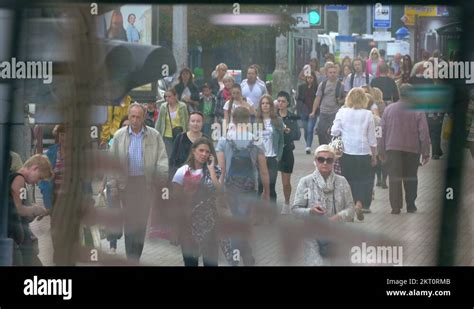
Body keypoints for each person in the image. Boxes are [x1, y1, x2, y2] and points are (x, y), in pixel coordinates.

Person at [107, 103, 168, 261]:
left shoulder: (154, 135)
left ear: (143, 118)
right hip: (126, 184)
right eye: (132, 116)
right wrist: (113, 186)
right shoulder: (119, 136)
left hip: (145, 184)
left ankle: (136, 255)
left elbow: (162, 161)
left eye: (138, 117)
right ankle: (131, 258)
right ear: (128, 117)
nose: (134, 120)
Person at [216, 107, 270, 266]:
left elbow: (222, 170)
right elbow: (264, 171)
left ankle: (243, 259)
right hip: (249, 188)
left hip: (230, 187)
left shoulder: (223, 140)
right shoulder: (256, 140)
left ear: (232, 119)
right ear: (248, 120)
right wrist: (266, 191)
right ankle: (239, 260)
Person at [292, 144, 355, 266]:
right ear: (315, 161)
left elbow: (351, 209)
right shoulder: (306, 182)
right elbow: (295, 210)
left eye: (329, 160)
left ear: (333, 162)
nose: (325, 163)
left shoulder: (342, 182)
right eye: (321, 159)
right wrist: (310, 211)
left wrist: (339, 217)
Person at [380, 84, 431, 214]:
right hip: (412, 149)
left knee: (394, 177)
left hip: (392, 147)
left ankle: (395, 207)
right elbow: (424, 132)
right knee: (411, 176)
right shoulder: (418, 110)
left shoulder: (388, 109)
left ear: (399, 93)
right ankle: (411, 205)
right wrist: (425, 151)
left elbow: (382, 131)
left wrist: (381, 150)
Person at [172, 137, 222, 266]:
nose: (204, 154)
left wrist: (211, 169)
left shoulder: (215, 170)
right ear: (193, 151)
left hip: (210, 225)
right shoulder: (182, 171)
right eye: (201, 150)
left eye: (207, 152)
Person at [331, 88, 377, 220]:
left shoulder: (342, 112)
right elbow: (372, 139)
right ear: (364, 100)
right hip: (363, 151)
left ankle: (350, 210)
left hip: (347, 151)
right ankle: (359, 203)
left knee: (348, 180)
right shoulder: (368, 114)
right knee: (362, 180)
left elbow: (334, 131)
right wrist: (374, 156)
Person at [9, 154, 53, 265]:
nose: (38, 183)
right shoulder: (19, 179)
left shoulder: (18, 179)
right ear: (35, 168)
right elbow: (18, 209)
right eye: (40, 178)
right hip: (13, 238)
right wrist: (35, 209)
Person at [256, 94, 285, 222]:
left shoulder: (277, 121)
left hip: (272, 157)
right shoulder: (255, 121)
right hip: (260, 158)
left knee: (272, 186)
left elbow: (281, 141)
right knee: (260, 187)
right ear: (260, 106)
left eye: (267, 103)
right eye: (263, 103)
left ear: (271, 106)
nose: (265, 105)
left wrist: (278, 156)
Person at [276, 91, 301, 214]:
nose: (280, 103)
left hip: (287, 150)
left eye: (283, 101)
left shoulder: (292, 116)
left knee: (286, 182)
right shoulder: (272, 116)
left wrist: (289, 132)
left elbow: (297, 135)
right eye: (279, 101)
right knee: (269, 180)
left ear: (287, 103)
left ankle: (286, 202)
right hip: (274, 152)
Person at [311, 62, 345, 146]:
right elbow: (317, 98)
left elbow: (346, 98)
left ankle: (333, 149)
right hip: (324, 112)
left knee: (334, 133)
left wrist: (340, 101)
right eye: (330, 72)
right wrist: (313, 111)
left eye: (334, 72)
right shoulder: (323, 85)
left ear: (337, 73)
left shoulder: (341, 85)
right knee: (320, 131)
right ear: (326, 73)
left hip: (335, 112)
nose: (332, 74)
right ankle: (323, 147)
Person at [169, 112, 207, 180]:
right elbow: (172, 159)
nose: (195, 124)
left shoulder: (206, 140)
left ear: (202, 124)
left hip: (201, 179)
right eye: (193, 121)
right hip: (181, 178)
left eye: (198, 121)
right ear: (188, 123)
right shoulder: (180, 138)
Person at [155, 88, 189, 157]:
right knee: (169, 155)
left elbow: (186, 121)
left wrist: (187, 135)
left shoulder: (182, 106)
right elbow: (159, 121)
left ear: (175, 96)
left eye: (169, 96)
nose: (167, 98)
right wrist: (156, 134)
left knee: (179, 154)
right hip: (167, 135)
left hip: (179, 134)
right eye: (166, 97)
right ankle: (170, 167)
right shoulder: (163, 107)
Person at [297, 71, 319, 154]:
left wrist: (315, 110)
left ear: (314, 78)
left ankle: (308, 146)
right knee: (306, 129)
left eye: (311, 78)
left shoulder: (317, 87)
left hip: (313, 111)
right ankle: (307, 143)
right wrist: (300, 108)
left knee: (310, 129)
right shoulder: (302, 87)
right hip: (304, 111)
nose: (309, 79)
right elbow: (298, 99)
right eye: (308, 78)